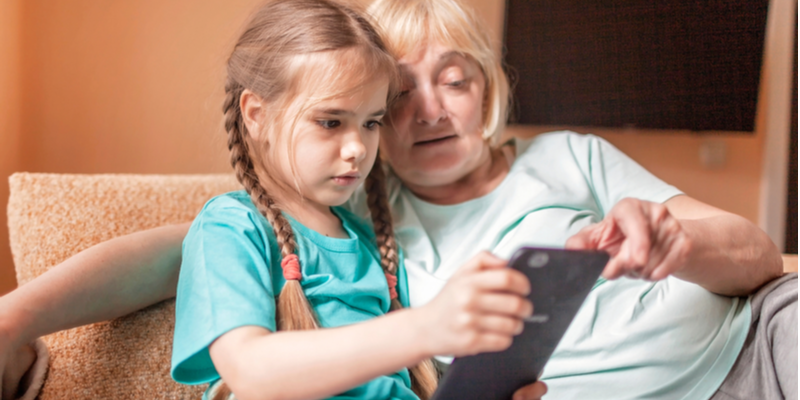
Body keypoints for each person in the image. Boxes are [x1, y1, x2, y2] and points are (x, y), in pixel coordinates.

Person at [0, 0, 794, 399]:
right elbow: (202, 244)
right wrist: (17, 316)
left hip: (751, 339)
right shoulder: (337, 214)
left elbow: (758, 256)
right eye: (396, 99)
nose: (431, 111)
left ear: (488, 87)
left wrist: (674, 240)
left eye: (454, 78)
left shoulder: (564, 157)